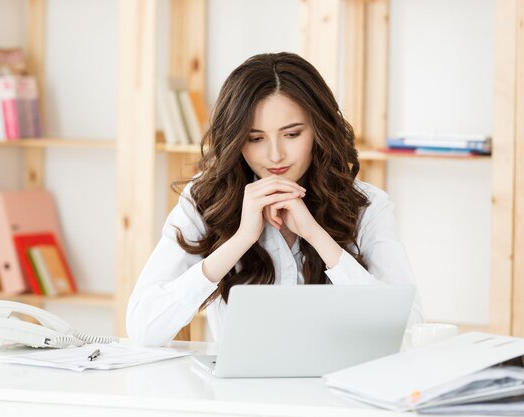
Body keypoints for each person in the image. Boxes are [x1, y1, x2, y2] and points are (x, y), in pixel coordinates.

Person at [127, 52, 424, 347]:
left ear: (319, 129)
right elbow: (143, 328)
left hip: (337, 390)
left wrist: (316, 236)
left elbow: (410, 330)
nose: (275, 155)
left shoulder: (368, 205)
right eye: (255, 139)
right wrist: (240, 240)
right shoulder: (205, 200)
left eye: (292, 134)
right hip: (239, 393)